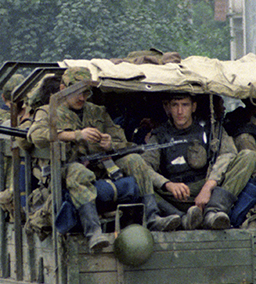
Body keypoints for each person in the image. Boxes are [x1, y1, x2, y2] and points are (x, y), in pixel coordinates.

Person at [28, 67, 179, 247]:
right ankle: (94, 232)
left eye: (86, 92)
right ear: (63, 89)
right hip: (66, 169)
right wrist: (75, 135)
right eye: (76, 92)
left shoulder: (97, 111)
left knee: (135, 161)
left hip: (101, 167)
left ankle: (152, 217)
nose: (82, 98)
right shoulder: (48, 111)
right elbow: (35, 135)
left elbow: (121, 140)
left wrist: (110, 144)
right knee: (78, 172)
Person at [143, 91, 256, 230]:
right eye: (175, 105)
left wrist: (208, 186)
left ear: (194, 107)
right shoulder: (160, 135)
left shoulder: (210, 129)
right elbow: (145, 167)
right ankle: (181, 218)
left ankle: (213, 212)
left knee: (248, 156)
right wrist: (167, 184)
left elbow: (228, 155)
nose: (180, 111)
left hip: (208, 190)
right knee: (137, 179)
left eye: (185, 105)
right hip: (175, 195)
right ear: (168, 108)